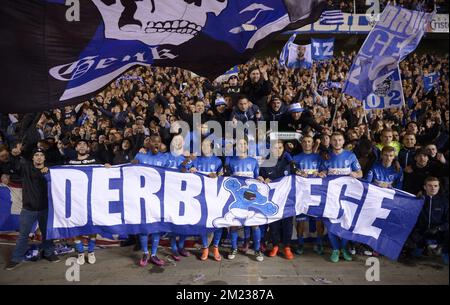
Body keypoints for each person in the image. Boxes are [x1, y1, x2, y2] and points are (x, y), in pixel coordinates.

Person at [5, 147, 60, 270]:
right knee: (23, 235)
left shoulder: (51, 170)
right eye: (36, 155)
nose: (39, 157)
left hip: (45, 209)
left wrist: (48, 174)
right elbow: (14, 165)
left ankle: (49, 253)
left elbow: (67, 170)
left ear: (45, 158)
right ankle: (16, 258)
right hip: (28, 209)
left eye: (41, 155)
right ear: (33, 158)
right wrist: (14, 156)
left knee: (47, 234)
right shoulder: (26, 168)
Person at [67, 139, 111, 265]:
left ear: (88, 148)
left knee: (92, 225)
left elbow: (104, 174)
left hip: (91, 198)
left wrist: (106, 167)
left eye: (84, 145)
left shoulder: (95, 160)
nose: (81, 146)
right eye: (79, 144)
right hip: (75, 198)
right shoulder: (69, 162)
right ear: (76, 148)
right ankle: (81, 252)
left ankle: (91, 251)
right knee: (75, 224)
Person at [321, 132, 363, 263]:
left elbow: (360, 173)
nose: (337, 142)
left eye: (339, 140)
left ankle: (343, 248)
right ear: (330, 141)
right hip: (331, 196)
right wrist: (321, 173)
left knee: (347, 222)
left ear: (344, 141)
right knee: (331, 222)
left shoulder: (350, 156)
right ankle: (335, 249)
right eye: (334, 140)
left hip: (347, 196)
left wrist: (356, 175)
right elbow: (322, 172)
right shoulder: (326, 156)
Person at [224, 136, 264, 262]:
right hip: (235, 197)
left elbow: (257, 177)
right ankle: (234, 247)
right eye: (239, 144)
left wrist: (260, 178)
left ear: (247, 146)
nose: (241, 146)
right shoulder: (230, 161)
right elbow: (226, 177)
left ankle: (257, 250)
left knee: (255, 224)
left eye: (243, 144)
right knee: (234, 224)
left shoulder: (253, 161)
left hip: (251, 197)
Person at [185, 138, 223, 261]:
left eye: (207, 145)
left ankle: (215, 247)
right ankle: (205, 247)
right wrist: (190, 165)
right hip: (200, 197)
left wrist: (217, 176)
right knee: (203, 222)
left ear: (212, 147)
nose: (204, 147)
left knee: (218, 222)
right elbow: (183, 169)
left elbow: (223, 178)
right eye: (202, 145)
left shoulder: (218, 161)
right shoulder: (196, 159)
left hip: (215, 197)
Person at [259, 140, 295, 260]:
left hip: (287, 200)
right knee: (273, 224)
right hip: (272, 200)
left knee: (287, 224)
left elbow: (297, 178)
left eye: (280, 148)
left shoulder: (289, 163)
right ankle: (275, 246)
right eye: (275, 148)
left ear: (283, 149)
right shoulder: (265, 164)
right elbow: (260, 178)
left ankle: (287, 247)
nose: (277, 150)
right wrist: (262, 179)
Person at [292, 135, 326, 256]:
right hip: (302, 195)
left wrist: (322, 172)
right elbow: (292, 172)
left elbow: (325, 171)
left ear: (313, 144)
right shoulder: (295, 158)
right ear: (301, 143)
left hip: (316, 194)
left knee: (318, 221)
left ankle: (319, 243)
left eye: (309, 142)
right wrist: (298, 172)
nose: (307, 144)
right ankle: (300, 243)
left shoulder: (319, 157)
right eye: (305, 142)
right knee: (301, 221)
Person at [410, 177, 448, 265]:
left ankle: (444, 251)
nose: (433, 188)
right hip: (422, 232)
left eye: (435, 186)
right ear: (424, 187)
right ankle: (420, 247)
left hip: (438, 232)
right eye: (430, 185)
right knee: (414, 256)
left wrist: (439, 228)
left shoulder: (445, 202)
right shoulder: (418, 199)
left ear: (439, 187)